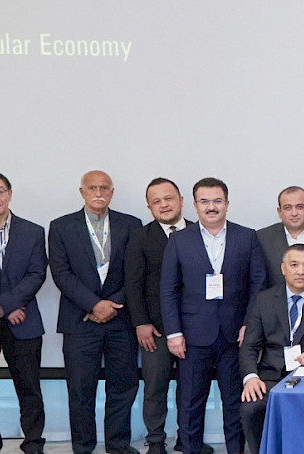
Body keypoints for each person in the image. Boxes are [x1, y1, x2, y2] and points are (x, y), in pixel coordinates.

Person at [161, 177, 268, 454]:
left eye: (217, 201)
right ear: (195, 205)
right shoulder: (179, 240)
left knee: (234, 403)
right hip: (192, 337)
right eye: (205, 201)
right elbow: (169, 289)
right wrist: (174, 333)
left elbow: (258, 284)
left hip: (235, 336)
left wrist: (250, 324)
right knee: (191, 404)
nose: (211, 207)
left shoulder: (247, 236)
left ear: (227, 204)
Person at [48, 170, 143, 454]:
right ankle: (83, 446)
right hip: (79, 321)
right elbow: (61, 273)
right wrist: (93, 305)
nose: (98, 192)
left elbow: (135, 272)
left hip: (120, 319)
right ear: (82, 192)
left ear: (112, 192)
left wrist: (111, 305)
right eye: (92, 188)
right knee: (80, 389)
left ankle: (118, 444)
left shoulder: (131, 224)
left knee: (122, 387)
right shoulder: (61, 226)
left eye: (104, 188)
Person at [121, 178, 205, 454]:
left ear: (181, 200)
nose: (164, 205)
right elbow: (133, 283)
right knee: (155, 387)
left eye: (168, 198)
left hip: (194, 327)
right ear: (149, 207)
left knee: (191, 388)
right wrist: (141, 323)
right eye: (156, 201)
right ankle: (156, 441)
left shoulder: (201, 231)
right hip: (155, 330)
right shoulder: (140, 236)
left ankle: (187, 439)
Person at [0, 171, 49, 454]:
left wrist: (9, 305)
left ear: (10, 194)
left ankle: (33, 443)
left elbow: (37, 273)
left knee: (29, 388)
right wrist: (1, 309)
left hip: (24, 321)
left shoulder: (33, 231)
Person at [238, 245, 304, 454]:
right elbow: (249, 346)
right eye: (294, 265)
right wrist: (250, 377)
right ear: (283, 268)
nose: (300, 271)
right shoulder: (264, 299)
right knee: (251, 407)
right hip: (270, 378)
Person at [256, 186, 304, 292]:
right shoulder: (262, 237)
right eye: (288, 208)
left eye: (299, 207)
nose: (294, 213)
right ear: (279, 212)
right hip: (275, 301)